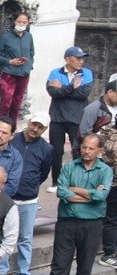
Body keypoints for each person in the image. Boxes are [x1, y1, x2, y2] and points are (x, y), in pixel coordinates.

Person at [36, 133, 111, 275]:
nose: (86, 151)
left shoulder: (105, 171)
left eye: (91, 148)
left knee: (85, 265)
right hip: (67, 222)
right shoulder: (69, 167)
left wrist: (75, 190)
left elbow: (101, 197)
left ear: (99, 151)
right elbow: (62, 193)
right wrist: (89, 195)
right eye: (84, 147)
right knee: (60, 263)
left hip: (92, 224)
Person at [1, 117, 55, 275]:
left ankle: (23, 274)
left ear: (45, 129)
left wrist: (29, 186)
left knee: (25, 238)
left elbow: (43, 173)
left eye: (40, 127)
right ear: (29, 122)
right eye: (34, 124)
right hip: (7, 197)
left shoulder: (47, 149)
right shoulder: (12, 139)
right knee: (4, 235)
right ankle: (1, 270)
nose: (35, 129)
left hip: (28, 200)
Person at [45, 46, 92, 185]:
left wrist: (63, 88)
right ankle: (56, 181)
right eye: (78, 58)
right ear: (67, 59)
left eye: (82, 58)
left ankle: (77, 180)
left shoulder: (86, 73)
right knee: (56, 152)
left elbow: (83, 94)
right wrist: (72, 87)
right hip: (57, 118)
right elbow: (54, 93)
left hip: (76, 118)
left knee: (78, 150)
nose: (81, 61)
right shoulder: (55, 73)